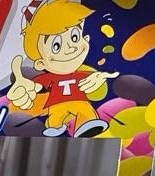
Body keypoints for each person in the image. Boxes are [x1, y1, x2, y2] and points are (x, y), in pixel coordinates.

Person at [7, 0, 119, 138]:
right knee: (56, 116)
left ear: (86, 38)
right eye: (56, 46)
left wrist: (99, 78)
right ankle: (54, 127)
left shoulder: (82, 73)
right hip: (56, 104)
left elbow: (96, 87)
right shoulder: (48, 78)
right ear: (40, 63)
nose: (70, 47)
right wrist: (26, 88)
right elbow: (38, 87)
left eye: (74, 37)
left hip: (79, 101)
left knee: (85, 111)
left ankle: (87, 125)